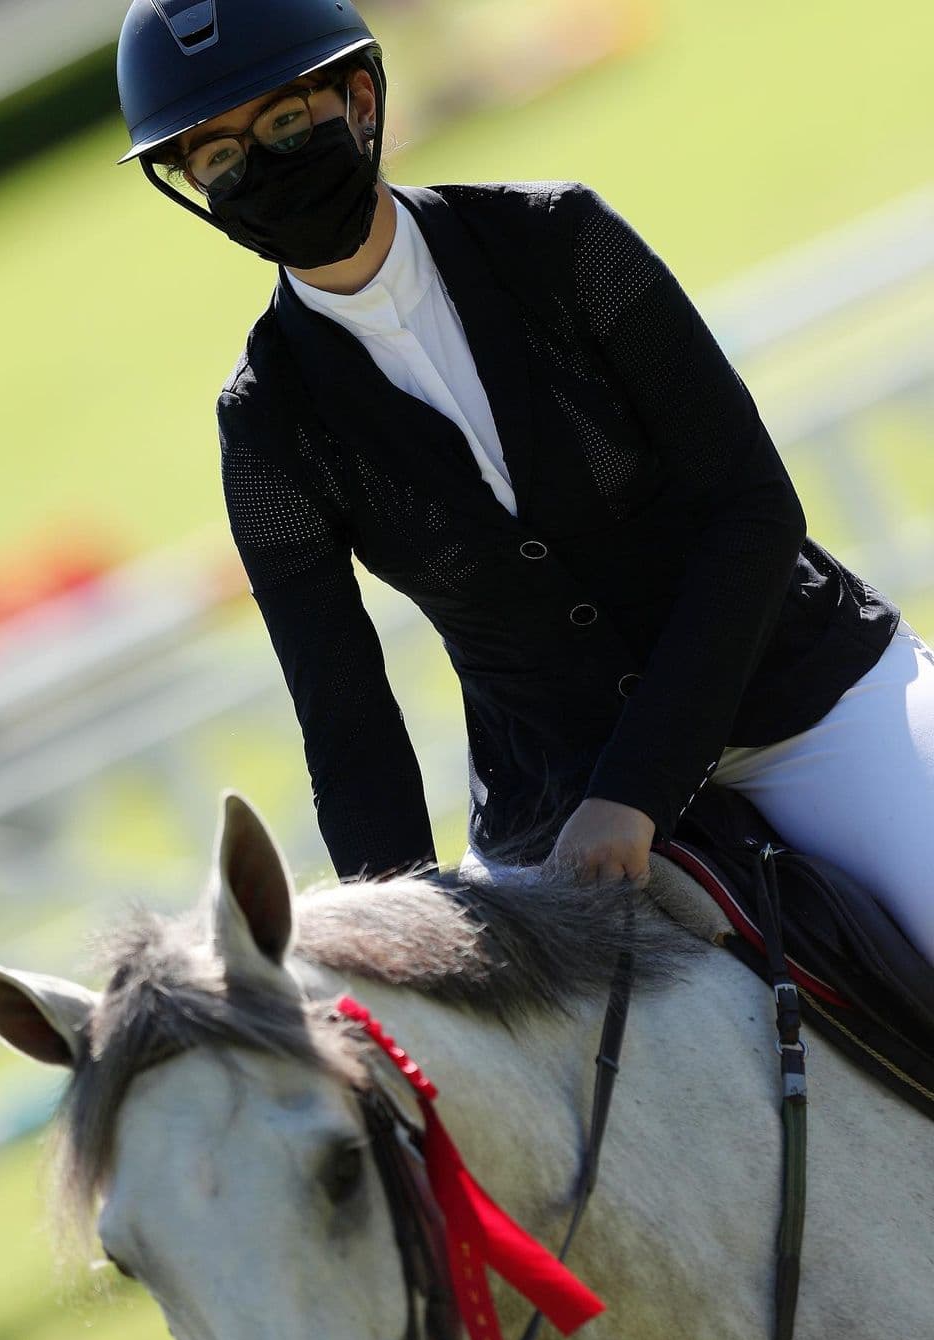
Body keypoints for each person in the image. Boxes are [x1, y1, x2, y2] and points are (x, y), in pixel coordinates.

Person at [116, 0, 934, 962]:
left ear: (361, 98)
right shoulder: (263, 425)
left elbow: (753, 514)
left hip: (805, 700)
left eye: (285, 125)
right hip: (551, 808)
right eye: (219, 157)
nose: (259, 165)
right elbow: (348, 723)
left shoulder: (563, 240)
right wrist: (398, 953)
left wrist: (635, 790)